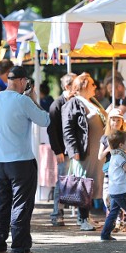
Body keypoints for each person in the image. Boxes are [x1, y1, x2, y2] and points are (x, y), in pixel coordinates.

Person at [0, 66, 50, 253]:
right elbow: (45, 120)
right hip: (21, 159)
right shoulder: (23, 101)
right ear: (22, 81)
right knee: (21, 204)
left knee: (1, 204)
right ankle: (20, 248)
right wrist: (34, 99)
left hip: (1, 160)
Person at [62, 72, 107, 231]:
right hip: (84, 151)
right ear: (83, 86)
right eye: (92, 84)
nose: (95, 87)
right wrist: (73, 149)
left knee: (92, 183)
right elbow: (68, 129)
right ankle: (82, 218)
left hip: (96, 152)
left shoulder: (91, 102)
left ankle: (87, 216)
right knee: (83, 183)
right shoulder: (74, 103)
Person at [47, 73, 76, 226]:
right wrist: (58, 150)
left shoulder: (77, 102)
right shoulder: (57, 104)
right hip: (64, 150)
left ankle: (79, 215)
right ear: (67, 86)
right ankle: (56, 213)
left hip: (75, 149)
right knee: (62, 182)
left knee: (75, 181)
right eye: (75, 85)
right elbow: (52, 129)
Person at [98, 108, 126, 231]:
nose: (115, 123)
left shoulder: (124, 137)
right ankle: (114, 216)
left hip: (120, 171)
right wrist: (108, 148)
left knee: (119, 195)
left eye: (118, 120)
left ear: (122, 122)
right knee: (107, 196)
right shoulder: (105, 138)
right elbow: (100, 157)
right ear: (109, 121)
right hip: (108, 170)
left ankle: (118, 221)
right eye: (113, 120)